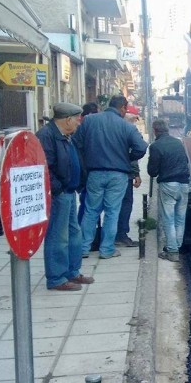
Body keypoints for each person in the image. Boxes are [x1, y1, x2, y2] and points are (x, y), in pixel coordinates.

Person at [73, 94, 148, 259]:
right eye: (125, 109)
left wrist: (86, 160)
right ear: (122, 108)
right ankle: (106, 249)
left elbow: (76, 143)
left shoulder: (89, 121)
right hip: (118, 174)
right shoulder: (126, 126)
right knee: (112, 212)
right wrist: (127, 157)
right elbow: (141, 147)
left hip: (94, 173)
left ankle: (83, 248)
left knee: (91, 211)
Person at [37, 103, 95, 291]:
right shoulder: (47, 136)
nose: (79, 123)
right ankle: (56, 278)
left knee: (73, 234)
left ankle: (72, 272)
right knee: (58, 236)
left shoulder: (66, 136)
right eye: (77, 120)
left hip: (69, 192)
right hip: (59, 194)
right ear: (68, 120)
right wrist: (58, 189)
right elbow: (44, 167)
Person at [147, 118, 190, 262]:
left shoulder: (156, 146)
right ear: (167, 129)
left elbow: (152, 171)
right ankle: (176, 246)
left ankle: (172, 251)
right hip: (184, 184)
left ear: (155, 131)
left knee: (169, 218)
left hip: (168, 185)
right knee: (180, 218)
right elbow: (186, 161)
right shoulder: (178, 143)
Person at [116, 105, 142, 247]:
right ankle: (121, 235)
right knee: (125, 204)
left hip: (117, 172)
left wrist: (136, 173)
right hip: (124, 174)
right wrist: (135, 173)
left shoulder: (116, 128)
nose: (134, 122)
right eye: (133, 118)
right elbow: (135, 153)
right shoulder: (128, 130)